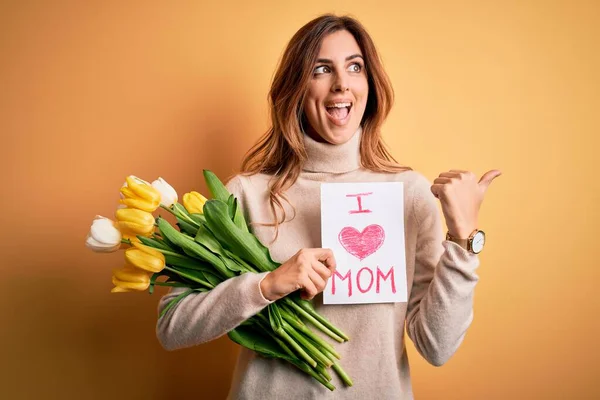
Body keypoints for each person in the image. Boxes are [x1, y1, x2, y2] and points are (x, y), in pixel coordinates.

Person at [156, 13, 501, 399]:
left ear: (369, 84)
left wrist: (463, 239)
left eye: (355, 67)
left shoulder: (409, 193)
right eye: (321, 69)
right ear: (296, 88)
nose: (342, 84)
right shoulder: (246, 195)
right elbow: (172, 325)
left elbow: (436, 346)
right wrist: (267, 284)